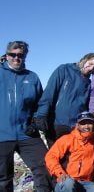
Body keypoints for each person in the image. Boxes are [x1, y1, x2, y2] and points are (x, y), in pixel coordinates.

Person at [0, 41, 52, 191]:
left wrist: (36, 121)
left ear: (25, 57)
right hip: (2, 135)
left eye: (20, 55)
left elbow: (40, 103)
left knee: (45, 166)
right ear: (7, 55)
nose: (16, 58)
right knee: (3, 178)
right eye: (13, 54)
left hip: (27, 133)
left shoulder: (32, 77)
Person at [34, 53, 94, 147]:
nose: (90, 68)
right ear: (85, 59)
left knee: (72, 158)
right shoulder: (65, 69)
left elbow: (85, 105)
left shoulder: (88, 83)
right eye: (90, 64)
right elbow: (50, 92)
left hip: (75, 126)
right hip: (56, 123)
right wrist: (41, 114)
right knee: (56, 156)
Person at [45, 111, 94, 192]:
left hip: (87, 182)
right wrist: (60, 173)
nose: (86, 126)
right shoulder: (67, 139)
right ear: (77, 125)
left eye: (89, 123)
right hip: (67, 179)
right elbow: (50, 157)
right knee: (69, 184)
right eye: (83, 123)